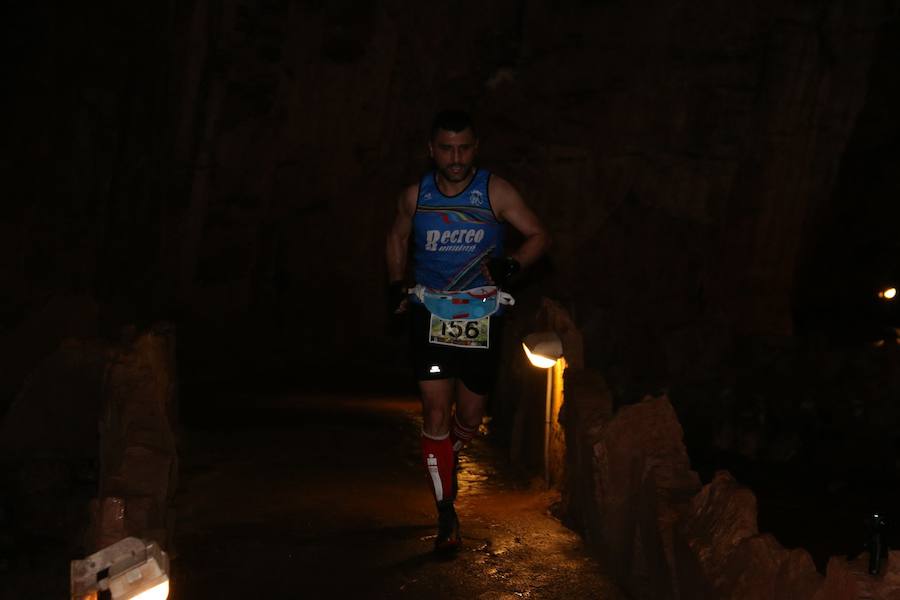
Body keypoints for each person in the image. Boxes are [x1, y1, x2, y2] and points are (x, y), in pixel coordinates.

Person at [385, 109, 550, 552]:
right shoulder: (415, 196)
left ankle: (451, 452)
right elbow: (397, 237)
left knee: (470, 419)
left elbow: (538, 235)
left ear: (475, 148)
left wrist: (513, 264)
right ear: (431, 149)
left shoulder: (494, 191)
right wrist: (395, 285)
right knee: (435, 414)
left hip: (480, 315)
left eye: (463, 148)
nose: (455, 158)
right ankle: (446, 514)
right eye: (446, 148)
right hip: (430, 314)